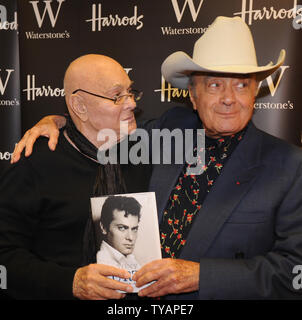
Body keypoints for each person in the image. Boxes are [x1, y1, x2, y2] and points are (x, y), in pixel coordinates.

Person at [10, 16, 302, 299]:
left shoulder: (288, 166)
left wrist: (202, 276)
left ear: (255, 93)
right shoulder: (169, 130)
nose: (229, 97)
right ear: (193, 94)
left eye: (242, 85)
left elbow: (294, 271)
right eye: (214, 85)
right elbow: (98, 125)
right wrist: (57, 121)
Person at [0, 54, 151, 300]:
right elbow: (4, 255)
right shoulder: (36, 164)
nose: (131, 103)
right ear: (80, 106)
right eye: (117, 96)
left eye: (131, 92)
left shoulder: (144, 155)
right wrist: (71, 282)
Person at [95, 195, 142, 291]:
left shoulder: (131, 260)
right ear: (103, 228)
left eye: (134, 229)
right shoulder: (102, 261)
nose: (130, 237)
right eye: (122, 228)